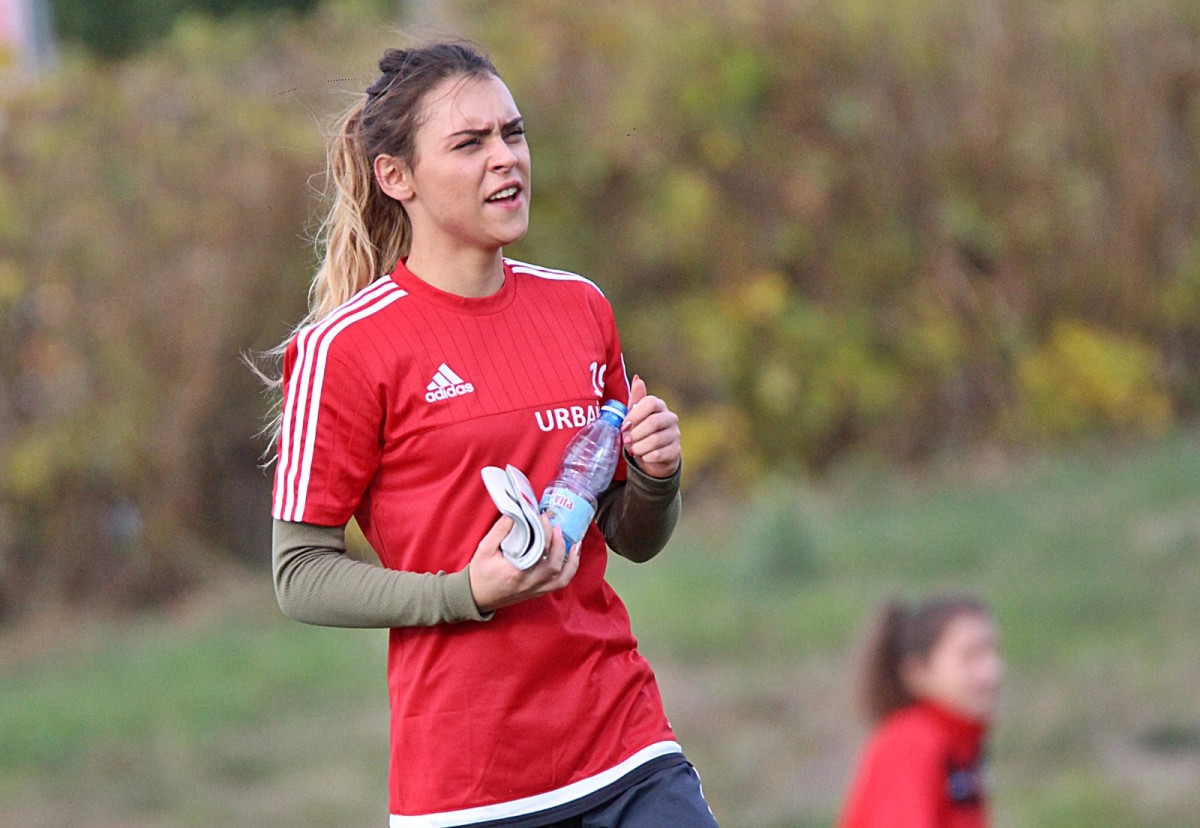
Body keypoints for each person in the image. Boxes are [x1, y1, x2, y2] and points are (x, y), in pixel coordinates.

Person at [266, 43, 719, 828]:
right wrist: (464, 593)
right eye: (470, 143)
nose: (506, 158)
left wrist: (656, 474)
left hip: (627, 748)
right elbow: (299, 574)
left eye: (513, 133)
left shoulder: (580, 308)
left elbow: (631, 538)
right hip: (469, 789)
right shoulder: (345, 349)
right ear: (396, 177)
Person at [838, 595, 1003, 828]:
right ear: (917, 671)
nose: (992, 671)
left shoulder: (959, 745)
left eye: (991, 651)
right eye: (970, 656)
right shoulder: (910, 744)